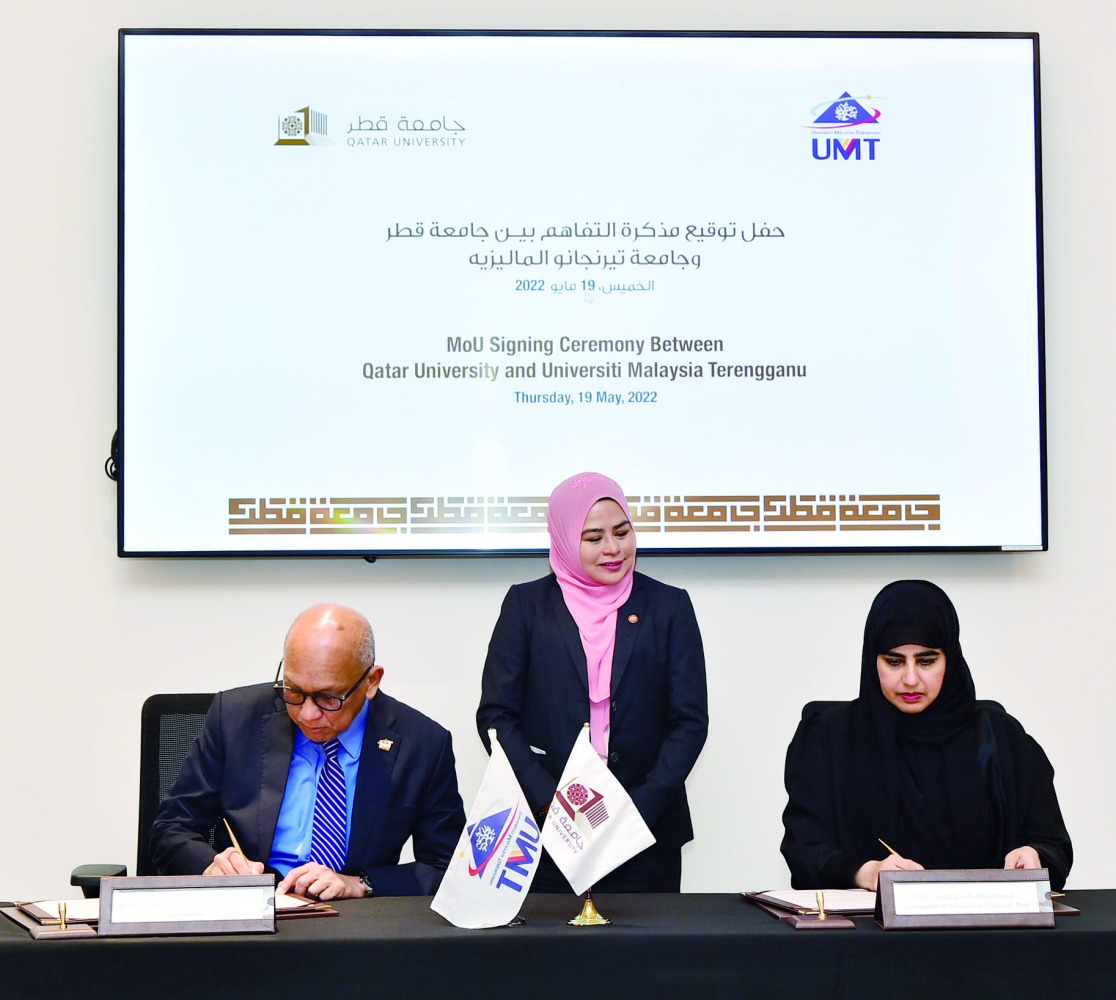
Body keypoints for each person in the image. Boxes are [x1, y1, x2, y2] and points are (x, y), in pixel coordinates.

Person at [477, 471, 709, 892]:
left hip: (645, 835)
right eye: (594, 537)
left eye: (622, 532)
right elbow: (496, 717)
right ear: (566, 540)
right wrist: (551, 803)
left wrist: (636, 810)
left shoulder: (669, 606)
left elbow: (689, 722)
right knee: (551, 958)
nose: (613, 549)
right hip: (549, 837)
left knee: (646, 958)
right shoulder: (526, 606)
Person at [149, 604, 465, 898]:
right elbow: (171, 829)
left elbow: (447, 866)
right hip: (250, 914)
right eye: (293, 691)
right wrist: (213, 865)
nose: (307, 714)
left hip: (355, 925)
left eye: (329, 698)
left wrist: (361, 884)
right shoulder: (234, 717)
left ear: (371, 681)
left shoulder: (422, 743)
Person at [780, 579, 1072, 891]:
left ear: (950, 658)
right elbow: (803, 852)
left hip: (986, 933)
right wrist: (866, 873)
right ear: (871, 660)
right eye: (894, 661)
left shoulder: (1001, 738)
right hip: (866, 935)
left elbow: (1053, 845)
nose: (910, 679)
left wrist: (1033, 855)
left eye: (926, 660)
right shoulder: (829, 738)